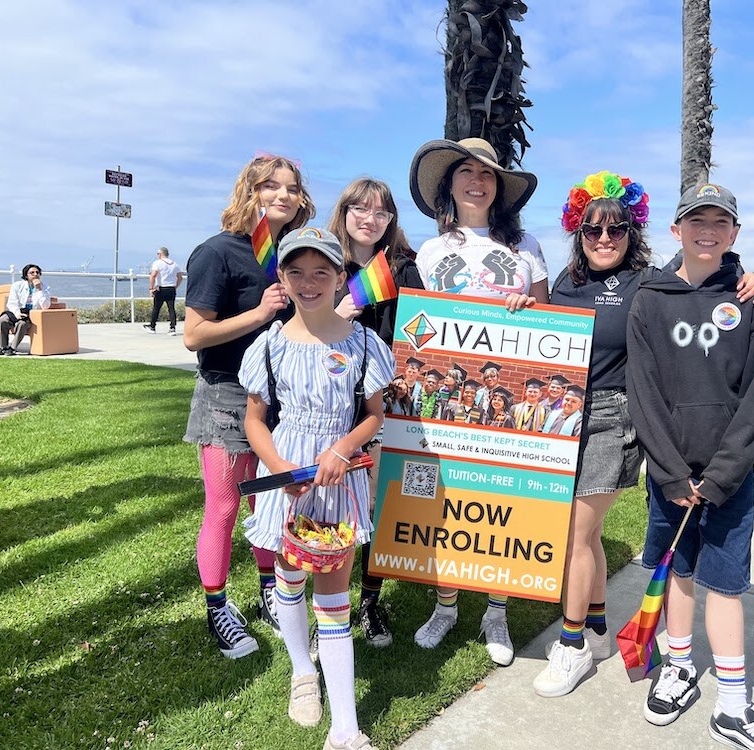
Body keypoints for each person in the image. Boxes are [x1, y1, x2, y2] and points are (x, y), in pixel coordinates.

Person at [532, 174, 754, 699]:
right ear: (578, 230)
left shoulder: (648, 281)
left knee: (575, 534)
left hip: (616, 416)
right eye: (592, 229)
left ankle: (569, 645)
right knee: (586, 537)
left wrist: (749, 276)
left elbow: (698, 280)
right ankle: (595, 629)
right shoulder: (565, 283)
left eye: (616, 228)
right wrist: (525, 310)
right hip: (561, 414)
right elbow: (547, 333)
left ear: (633, 230)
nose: (604, 238)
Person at [626, 182, 754, 750]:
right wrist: (670, 474)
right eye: (698, 220)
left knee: (725, 583)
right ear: (677, 230)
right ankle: (677, 667)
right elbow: (642, 390)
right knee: (678, 573)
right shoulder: (650, 297)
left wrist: (723, 474)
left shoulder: (752, 302)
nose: (709, 230)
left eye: (722, 222)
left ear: (735, 234)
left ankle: (734, 704)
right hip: (670, 472)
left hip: (730, 476)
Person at [239, 227, 393, 747]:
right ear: (282, 277)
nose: (309, 283)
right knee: (288, 573)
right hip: (286, 481)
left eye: (321, 272)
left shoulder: (365, 344)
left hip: (340, 477)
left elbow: (374, 414)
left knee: (333, 589)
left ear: (340, 278)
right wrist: (281, 467)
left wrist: (340, 449)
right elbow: (255, 421)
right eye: (296, 272)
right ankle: (303, 670)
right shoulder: (268, 347)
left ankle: (346, 728)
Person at [409, 135, 546, 665]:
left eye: (487, 172)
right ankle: (445, 605)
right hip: (451, 392)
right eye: (466, 170)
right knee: (448, 498)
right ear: (449, 184)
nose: (476, 179)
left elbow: (547, 318)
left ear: (499, 187)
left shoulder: (526, 246)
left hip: (507, 391)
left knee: (504, 497)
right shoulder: (431, 251)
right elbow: (426, 327)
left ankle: (496, 610)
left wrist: (524, 304)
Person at [182, 154, 315, 659]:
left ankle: (267, 593)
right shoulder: (217, 253)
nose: (283, 195)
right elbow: (194, 335)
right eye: (270, 186)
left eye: (292, 188)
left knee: (268, 503)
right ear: (250, 190)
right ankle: (217, 608)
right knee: (224, 506)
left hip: (282, 400)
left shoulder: (289, 255)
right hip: (228, 396)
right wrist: (259, 311)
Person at [326, 177, 425, 649]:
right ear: (344, 212)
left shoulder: (402, 268)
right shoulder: (324, 263)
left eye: (381, 212)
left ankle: (369, 600)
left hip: (382, 406)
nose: (370, 219)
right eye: (361, 209)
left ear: (391, 221)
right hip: (329, 406)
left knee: (377, 506)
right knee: (330, 505)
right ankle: (328, 603)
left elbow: (425, 330)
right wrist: (337, 313)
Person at [0, 264, 51, 356]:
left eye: (37, 272)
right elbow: (12, 303)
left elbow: (45, 306)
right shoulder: (17, 286)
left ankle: (12, 348)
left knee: (22, 324)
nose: (35, 274)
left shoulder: (45, 288)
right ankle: (3, 347)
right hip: (15, 311)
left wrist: (39, 290)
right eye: (32, 272)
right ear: (26, 275)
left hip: (31, 314)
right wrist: (17, 313)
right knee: (2, 321)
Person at [144, 246, 184, 335]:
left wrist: (151, 288)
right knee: (171, 309)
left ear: (161, 254)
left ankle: (152, 326)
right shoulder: (175, 264)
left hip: (161, 288)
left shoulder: (157, 263)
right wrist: (175, 286)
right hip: (171, 288)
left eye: (158, 253)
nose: (157, 255)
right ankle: (172, 328)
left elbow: (153, 275)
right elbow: (180, 277)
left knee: (156, 308)